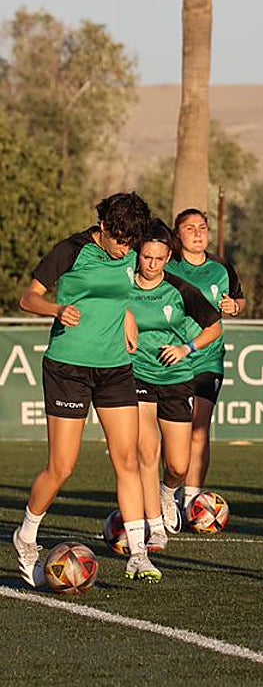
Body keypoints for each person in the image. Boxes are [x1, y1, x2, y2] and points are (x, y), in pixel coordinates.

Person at [12, 192, 157, 585]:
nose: (125, 249)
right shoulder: (71, 249)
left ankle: (139, 554)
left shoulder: (129, 251)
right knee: (62, 467)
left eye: (131, 242)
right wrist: (57, 310)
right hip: (69, 367)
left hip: (115, 369)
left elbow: (118, 293)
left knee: (127, 459)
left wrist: (126, 313)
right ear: (104, 228)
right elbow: (29, 298)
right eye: (120, 240)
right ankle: (26, 535)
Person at [129, 220, 223, 549]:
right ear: (138, 255)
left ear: (168, 258)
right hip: (136, 374)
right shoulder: (123, 285)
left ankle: (167, 493)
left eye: (158, 259)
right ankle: (154, 527)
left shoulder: (180, 289)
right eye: (146, 258)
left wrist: (187, 348)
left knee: (178, 465)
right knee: (145, 450)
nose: (152, 265)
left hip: (175, 380)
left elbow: (215, 328)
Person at [165, 209, 246, 517]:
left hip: (208, 358)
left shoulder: (221, 267)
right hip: (172, 359)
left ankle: (191, 501)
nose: (198, 233)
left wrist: (234, 307)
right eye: (190, 228)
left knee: (199, 429)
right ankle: (169, 493)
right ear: (178, 235)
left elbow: (239, 300)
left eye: (203, 227)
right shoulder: (168, 267)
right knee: (175, 431)